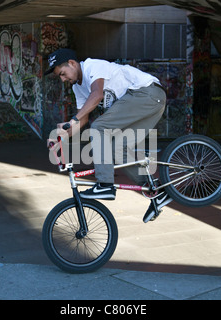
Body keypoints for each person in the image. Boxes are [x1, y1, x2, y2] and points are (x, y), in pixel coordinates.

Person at [45, 48, 172, 222]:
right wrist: (61, 138)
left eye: (63, 73)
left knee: (99, 127)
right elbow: (82, 120)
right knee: (115, 148)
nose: (63, 79)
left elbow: (97, 95)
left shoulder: (92, 66)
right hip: (148, 104)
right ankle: (158, 192)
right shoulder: (78, 88)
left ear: (72, 64)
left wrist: (73, 119)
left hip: (147, 93)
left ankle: (105, 184)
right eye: (60, 76)